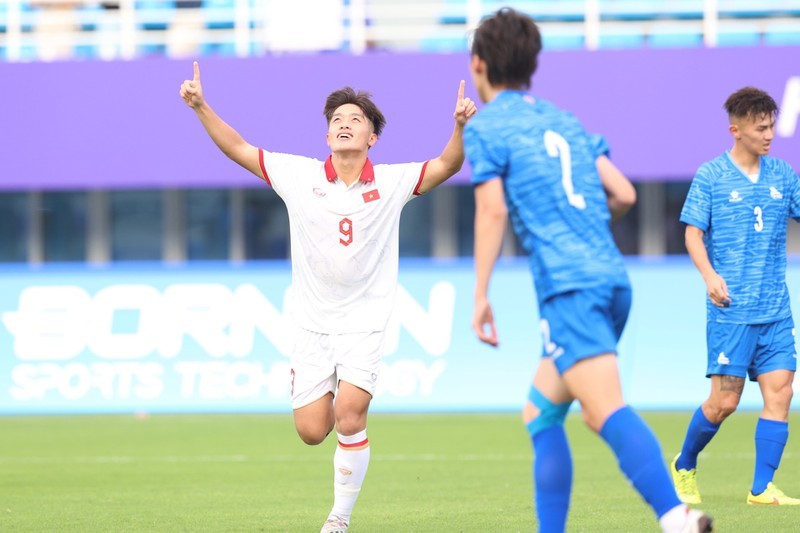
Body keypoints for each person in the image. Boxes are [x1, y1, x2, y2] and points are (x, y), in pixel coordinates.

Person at [180, 62, 475, 532]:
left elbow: (447, 165)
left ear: (372, 138)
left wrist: (458, 128)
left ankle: (339, 519)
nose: (343, 123)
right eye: (336, 119)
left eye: (354, 118)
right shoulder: (298, 176)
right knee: (312, 431)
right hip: (311, 324)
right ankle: (317, 394)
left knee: (350, 416)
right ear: (327, 136)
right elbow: (238, 148)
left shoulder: (394, 182)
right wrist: (200, 107)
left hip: (365, 322)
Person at [464, 8, 712, 533]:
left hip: (570, 288)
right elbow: (622, 192)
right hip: (611, 278)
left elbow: (491, 210)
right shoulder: (564, 120)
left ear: (478, 64)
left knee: (603, 411)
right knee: (540, 413)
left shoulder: (486, 127)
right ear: (532, 64)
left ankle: (676, 516)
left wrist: (480, 293)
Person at [672, 86, 800, 506]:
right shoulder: (711, 176)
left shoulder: (783, 174)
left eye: (771, 127)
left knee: (781, 392)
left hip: (775, 310)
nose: (769, 135)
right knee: (724, 403)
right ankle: (685, 463)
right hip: (731, 311)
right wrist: (708, 275)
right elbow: (692, 232)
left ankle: (761, 488)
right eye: (760, 128)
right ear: (736, 130)